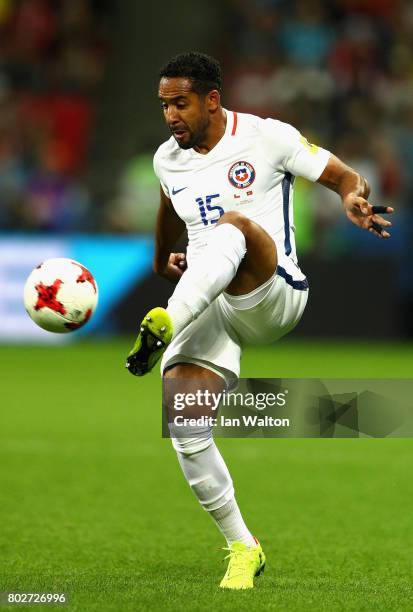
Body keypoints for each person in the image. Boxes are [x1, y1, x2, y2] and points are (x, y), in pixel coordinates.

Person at [126, 52, 393, 589]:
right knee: (185, 422)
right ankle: (242, 547)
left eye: (180, 103)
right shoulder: (166, 160)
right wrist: (160, 260)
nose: (171, 115)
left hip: (270, 291)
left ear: (212, 100)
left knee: (234, 225)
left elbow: (342, 175)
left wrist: (353, 199)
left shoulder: (267, 137)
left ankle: (166, 321)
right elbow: (167, 204)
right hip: (207, 300)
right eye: (164, 105)